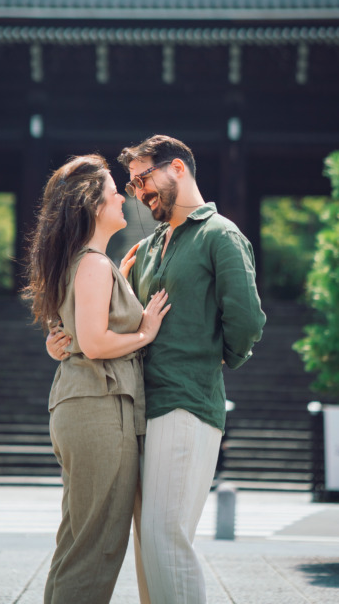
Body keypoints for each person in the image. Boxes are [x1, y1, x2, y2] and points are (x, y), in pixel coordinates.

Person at [48, 135, 266, 604]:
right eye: (130, 185)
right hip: (134, 409)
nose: (138, 193)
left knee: (165, 539)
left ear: (179, 169)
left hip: (185, 401)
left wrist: (214, 357)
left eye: (144, 179)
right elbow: (102, 316)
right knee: (149, 545)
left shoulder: (220, 234)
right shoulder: (145, 248)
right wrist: (60, 339)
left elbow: (247, 319)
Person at [25, 153, 171, 604]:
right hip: (99, 411)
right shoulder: (91, 263)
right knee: (96, 546)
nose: (124, 199)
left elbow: (77, 333)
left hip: (87, 407)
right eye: (113, 192)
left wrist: (120, 279)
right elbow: (94, 342)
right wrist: (145, 330)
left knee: (81, 541)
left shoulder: (90, 262)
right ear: (92, 205)